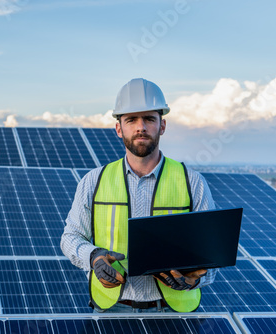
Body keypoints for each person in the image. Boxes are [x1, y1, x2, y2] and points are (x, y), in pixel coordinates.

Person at [61, 78, 216, 313]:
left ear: (162, 126)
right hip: (112, 309)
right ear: (119, 128)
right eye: (131, 119)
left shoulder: (191, 181)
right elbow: (70, 237)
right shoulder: (94, 181)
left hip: (173, 312)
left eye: (149, 119)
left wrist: (196, 279)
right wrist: (94, 256)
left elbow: (212, 253)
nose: (140, 127)